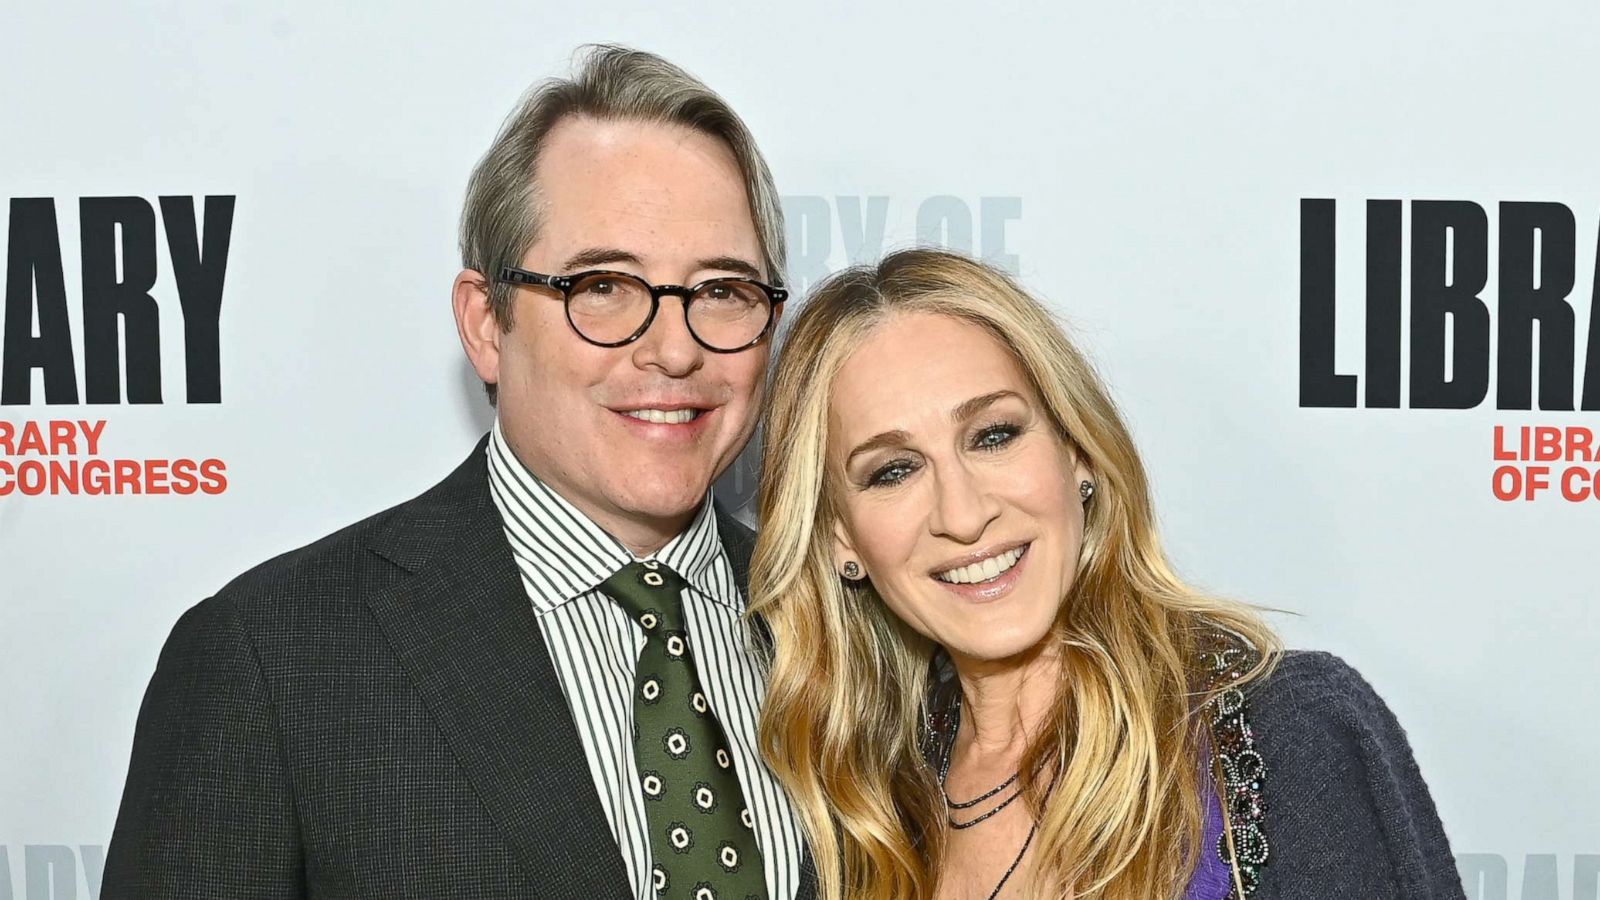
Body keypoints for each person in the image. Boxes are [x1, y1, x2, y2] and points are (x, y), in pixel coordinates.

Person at [104, 46, 814, 900]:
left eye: (724, 290)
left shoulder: (847, 633)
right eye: (604, 286)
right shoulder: (270, 663)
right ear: (486, 323)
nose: (674, 347)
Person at [749, 249, 1465, 900]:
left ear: (1079, 454)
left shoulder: (1286, 734)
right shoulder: (861, 812)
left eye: (994, 435)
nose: (963, 515)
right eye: (894, 471)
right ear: (840, 538)